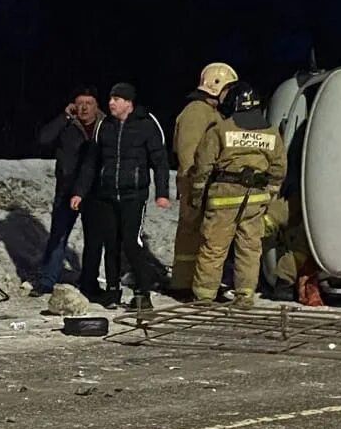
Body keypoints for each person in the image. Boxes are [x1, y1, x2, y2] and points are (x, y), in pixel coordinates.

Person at [70, 82, 171, 310]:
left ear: (128, 102)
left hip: (133, 195)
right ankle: (112, 292)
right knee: (111, 244)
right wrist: (80, 192)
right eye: (110, 99)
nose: (111, 103)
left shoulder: (147, 124)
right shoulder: (104, 125)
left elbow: (160, 162)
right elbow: (91, 163)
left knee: (131, 242)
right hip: (107, 195)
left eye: (116, 99)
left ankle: (142, 293)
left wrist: (162, 193)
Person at [189, 82, 285, 307]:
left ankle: (204, 296)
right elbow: (279, 169)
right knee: (250, 248)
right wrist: (269, 194)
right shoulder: (271, 132)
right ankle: (244, 295)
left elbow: (204, 165)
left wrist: (197, 194)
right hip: (256, 200)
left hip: (224, 197)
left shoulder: (221, 129)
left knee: (214, 247)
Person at [170, 61, 238, 299]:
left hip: (203, 181)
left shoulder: (210, 112)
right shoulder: (197, 112)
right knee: (193, 233)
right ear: (215, 86)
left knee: (201, 234)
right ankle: (184, 284)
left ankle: (192, 282)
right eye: (228, 88)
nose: (229, 94)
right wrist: (196, 183)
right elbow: (189, 151)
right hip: (195, 181)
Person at [31, 86, 101, 294]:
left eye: (89, 103)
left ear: (97, 106)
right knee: (58, 236)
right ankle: (46, 281)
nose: (84, 108)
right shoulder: (67, 125)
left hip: (95, 192)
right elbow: (43, 139)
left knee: (94, 239)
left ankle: (89, 282)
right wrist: (64, 117)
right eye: (80, 104)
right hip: (66, 190)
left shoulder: (105, 126)